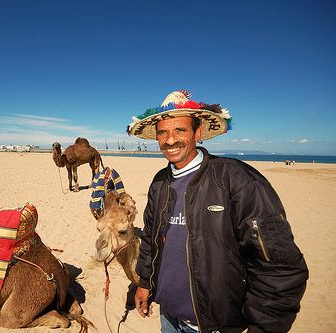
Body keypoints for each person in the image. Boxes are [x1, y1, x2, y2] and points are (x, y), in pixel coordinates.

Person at [126, 90, 308, 333]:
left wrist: (263, 328)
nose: (170, 140)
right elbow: (150, 239)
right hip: (168, 315)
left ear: (198, 133)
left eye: (180, 130)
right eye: (163, 132)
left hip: (215, 325)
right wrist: (145, 283)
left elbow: (280, 266)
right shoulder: (160, 182)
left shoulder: (236, 179)